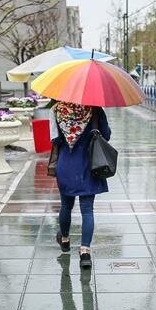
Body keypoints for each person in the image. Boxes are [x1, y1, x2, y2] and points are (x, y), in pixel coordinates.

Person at [51, 100, 111, 269]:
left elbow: (54, 139)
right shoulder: (95, 109)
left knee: (66, 206)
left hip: (66, 164)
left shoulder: (56, 110)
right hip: (89, 165)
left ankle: (64, 239)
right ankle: (85, 252)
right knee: (87, 210)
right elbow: (106, 135)